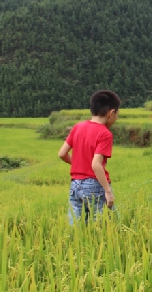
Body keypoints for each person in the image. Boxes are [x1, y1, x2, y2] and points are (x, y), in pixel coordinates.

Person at [58, 90, 121, 223]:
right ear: (112, 113)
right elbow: (96, 165)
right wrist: (108, 191)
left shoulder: (78, 127)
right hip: (94, 185)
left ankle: (73, 243)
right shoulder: (105, 134)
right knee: (106, 225)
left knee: (75, 226)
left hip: (75, 185)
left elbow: (62, 154)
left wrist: (78, 164)